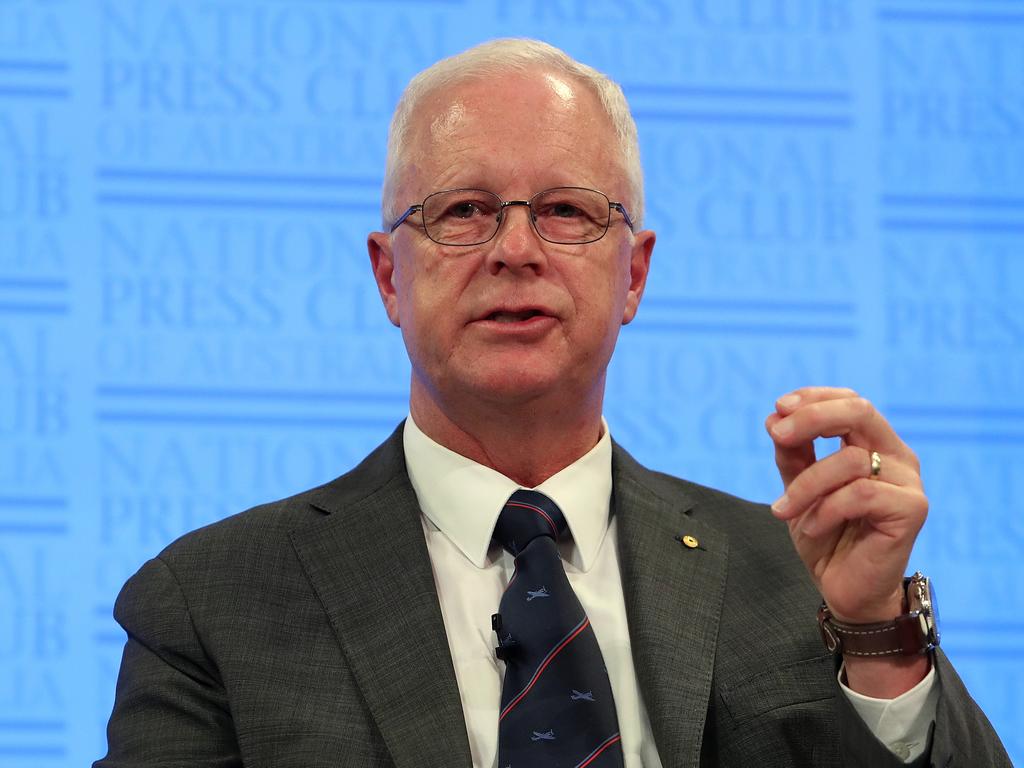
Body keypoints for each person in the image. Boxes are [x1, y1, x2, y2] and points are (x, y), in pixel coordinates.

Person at [95, 39, 1009, 768]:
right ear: (387, 278)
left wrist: (877, 633)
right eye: (462, 211)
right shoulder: (212, 605)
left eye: (568, 211)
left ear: (635, 275)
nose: (515, 250)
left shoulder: (792, 579)